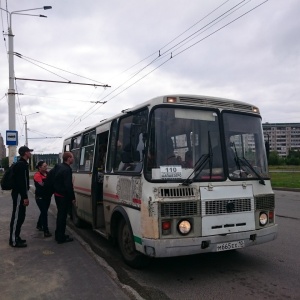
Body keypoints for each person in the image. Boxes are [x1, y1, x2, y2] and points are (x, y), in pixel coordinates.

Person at [9, 145, 33, 248]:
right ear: (25, 153)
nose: (30, 153)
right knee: (17, 217)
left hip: (20, 194)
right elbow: (22, 183)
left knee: (21, 216)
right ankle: (13, 240)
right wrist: (25, 197)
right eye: (29, 152)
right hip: (19, 194)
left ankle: (16, 236)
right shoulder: (21, 165)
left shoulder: (23, 164)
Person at [53, 151, 76, 244]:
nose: (73, 159)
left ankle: (58, 234)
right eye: (72, 157)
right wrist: (72, 198)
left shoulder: (59, 167)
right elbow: (68, 186)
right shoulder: (67, 169)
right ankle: (61, 238)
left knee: (60, 216)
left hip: (57, 195)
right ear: (68, 158)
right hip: (63, 197)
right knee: (62, 217)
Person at [33, 160, 52, 238]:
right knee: (44, 213)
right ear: (40, 168)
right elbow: (42, 185)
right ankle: (46, 231)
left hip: (47, 196)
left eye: (46, 166)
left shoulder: (48, 174)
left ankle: (39, 224)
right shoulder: (37, 175)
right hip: (40, 197)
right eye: (44, 166)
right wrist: (49, 184)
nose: (46, 167)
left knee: (44, 211)